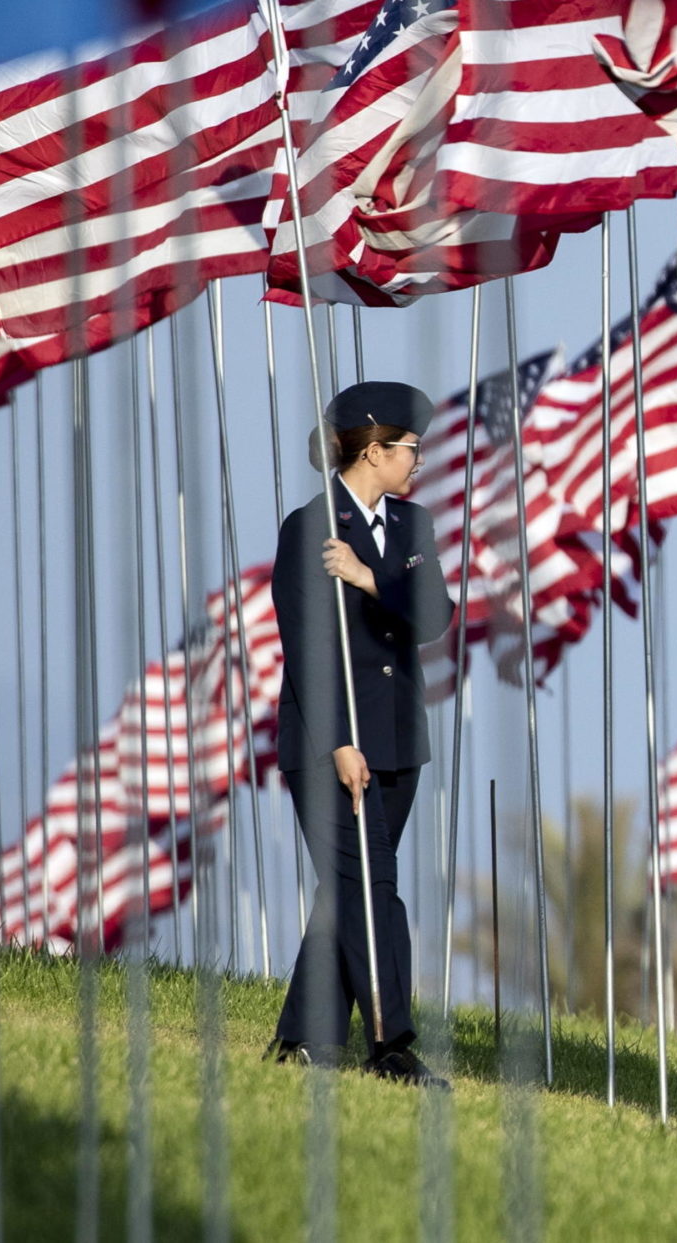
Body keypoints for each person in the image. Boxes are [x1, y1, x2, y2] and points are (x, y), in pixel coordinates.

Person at [267, 380, 454, 1085]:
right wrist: (340, 741)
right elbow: (305, 641)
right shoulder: (309, 526)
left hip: (401, 740)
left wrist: (370, 576)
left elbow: (435, 613)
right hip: (331, 745)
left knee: (350, 888)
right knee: (372, 887)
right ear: (374, 452)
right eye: (410, 449)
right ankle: (392, 1043)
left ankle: (302, 1040)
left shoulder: (413, 527)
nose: (419, 461)